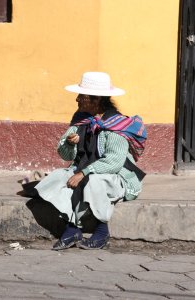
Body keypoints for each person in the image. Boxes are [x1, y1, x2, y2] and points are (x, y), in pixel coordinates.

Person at [35, 71, 147, 250]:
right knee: (57, 178)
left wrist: (84, 172)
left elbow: (114, 162)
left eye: (82, 96)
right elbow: (65, 155)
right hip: (81, 170)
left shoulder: (116, 126)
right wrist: (70, 145)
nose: (77, 99)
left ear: (96, 100)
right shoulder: (81, 120)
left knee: (94, 182)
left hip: (113, 176)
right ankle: (73, 229)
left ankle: (102, 232)